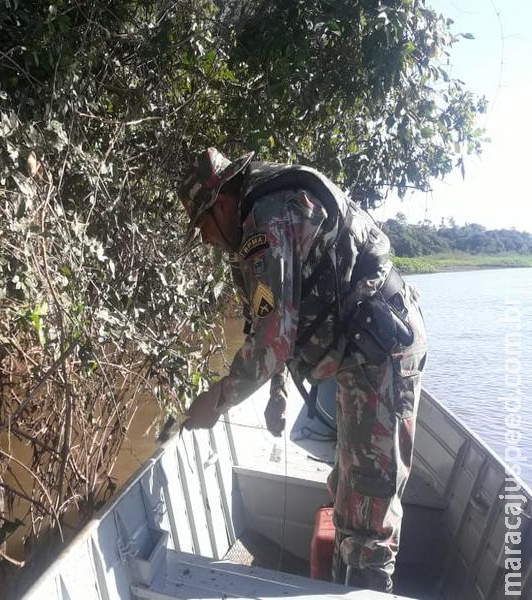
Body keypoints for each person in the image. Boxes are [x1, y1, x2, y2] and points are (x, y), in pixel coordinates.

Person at [177, 148, 427, 593]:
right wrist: (278, 394)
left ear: (221, 202)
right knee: (348, 488)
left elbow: (273, 340)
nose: (203, 239)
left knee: (369, 509)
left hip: (381, 355)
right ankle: (342, 580)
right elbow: (270, 317)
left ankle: (366, 586)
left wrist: (214, 402)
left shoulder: (264, 223)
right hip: (359, 357)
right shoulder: (259, 218)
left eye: (201, 224)